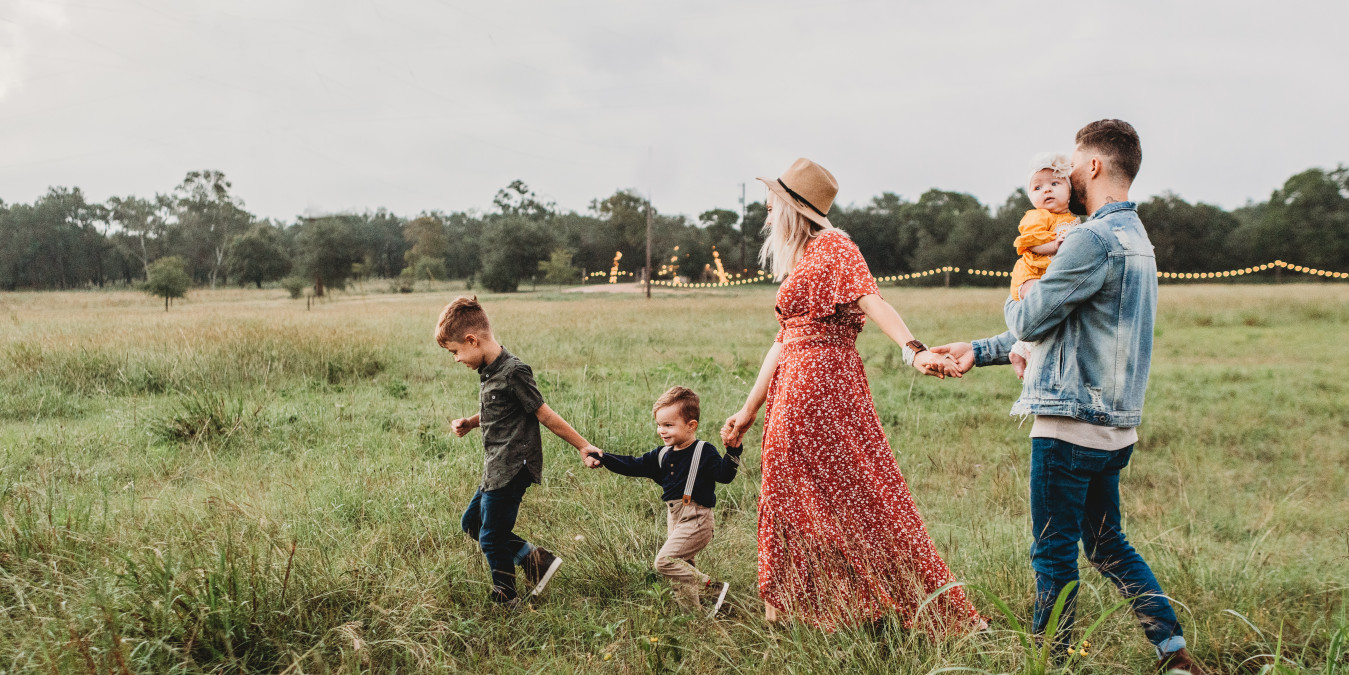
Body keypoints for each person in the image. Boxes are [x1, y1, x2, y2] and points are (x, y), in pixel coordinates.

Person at [932, 120, 1208, 674]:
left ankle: (1048, 664)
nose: (1068, 175)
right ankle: (1173, 653)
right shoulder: (1137, 239)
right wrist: (981, 350)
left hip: (1068, 426)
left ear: (1097, 166)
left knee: (1053, 553)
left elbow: (1032, 315)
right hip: (1115, 428)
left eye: (1075, 165)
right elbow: (1065, 325)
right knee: (1108, 546)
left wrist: (1021, 290)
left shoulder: (1089, 238)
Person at [720, 157, 981, 630]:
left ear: (793, 207)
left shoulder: (835, 246)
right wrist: (748, 409)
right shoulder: (803, 257)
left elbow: (872, 299)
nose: (765, 208)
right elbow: (783, 340)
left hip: (821, 387)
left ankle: (895, 607)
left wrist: (914, 349)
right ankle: (792, 612)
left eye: (772, 201)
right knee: (796, 495)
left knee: (858, 495)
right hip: (794, 386)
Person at [435, 295, 604, 607]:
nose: (456, 359)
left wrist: (584, 446)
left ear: (472, 340)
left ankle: (506, 596)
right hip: (495, 466)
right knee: (472, 523)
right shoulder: (488, 370)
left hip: (513, 466)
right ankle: (536, 561)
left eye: (455, 352)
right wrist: (472, 423)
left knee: (491, 536)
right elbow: (499, 411)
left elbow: (544, 414)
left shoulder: (514, 370)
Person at [583, 386, 741, 616]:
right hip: (674, 518)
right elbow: (632, 465)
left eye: (668, 425)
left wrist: (734, 452)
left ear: (691, 425)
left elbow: (724, 475)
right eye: (659, 425)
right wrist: (604, 458)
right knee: (680, 572)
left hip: (697, 518)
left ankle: (712, 588)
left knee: (665, 562)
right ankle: (693, 620)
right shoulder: (662, 454)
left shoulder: (703, 451)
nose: (661, 431)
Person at [1008, 152, 1080, 379]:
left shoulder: (1072, 219)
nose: (1046, 190)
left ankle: (1020, 349)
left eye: (1055, 184)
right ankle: (1026, 351)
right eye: (1037, 188)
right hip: (1030, 274)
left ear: (1069, 190)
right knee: (1038, 306)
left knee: (1050, 311)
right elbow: (1030, 242)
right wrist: (1053, 245)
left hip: (1047, 275)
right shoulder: (1038, 216)